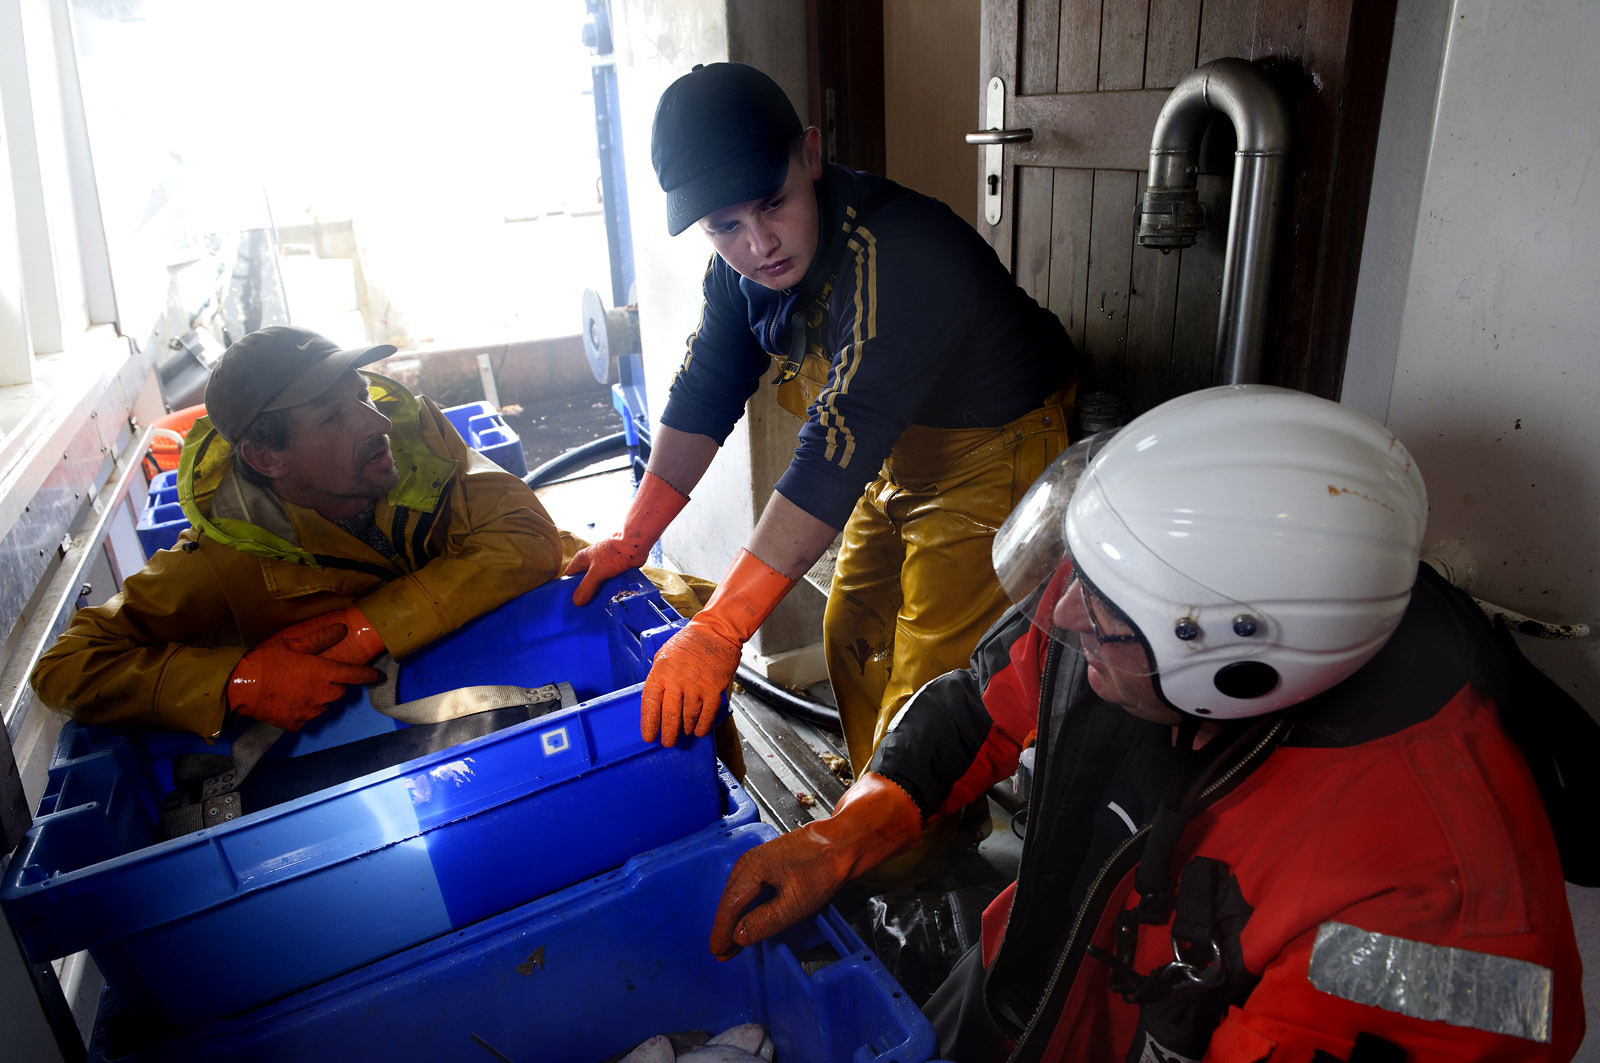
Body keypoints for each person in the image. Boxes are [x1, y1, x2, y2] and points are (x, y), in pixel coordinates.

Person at [706, 385, 1588, 1061]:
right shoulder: (1133, 598)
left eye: (1099, 613)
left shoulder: (1447, 910)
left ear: (1238, 664)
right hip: (1031, 963)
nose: (1064, 614)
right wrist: (839, 840)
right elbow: (979, 703)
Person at [565, 61, 1076, 788]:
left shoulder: (897, 251)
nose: (759, 244)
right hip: (896, 458)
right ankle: (891, 814)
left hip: (997, 451)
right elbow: (706, 389)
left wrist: (719, 628)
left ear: (809, 155)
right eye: (726, 227)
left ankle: (905, 824)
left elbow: (836, 448)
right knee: (851, 633)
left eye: (772, 205)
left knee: (929, 694)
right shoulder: (740, 275)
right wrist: (632, 538)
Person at [33, 325, 657, 736]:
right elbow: (66, 664)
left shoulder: (413, 440)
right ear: (266, 457)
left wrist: (364, 630)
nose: (374, 422)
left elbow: (525, 540)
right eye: (334, 416)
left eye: (362, 395)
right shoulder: (214, 561)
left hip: (547, 636)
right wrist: (240, 681)